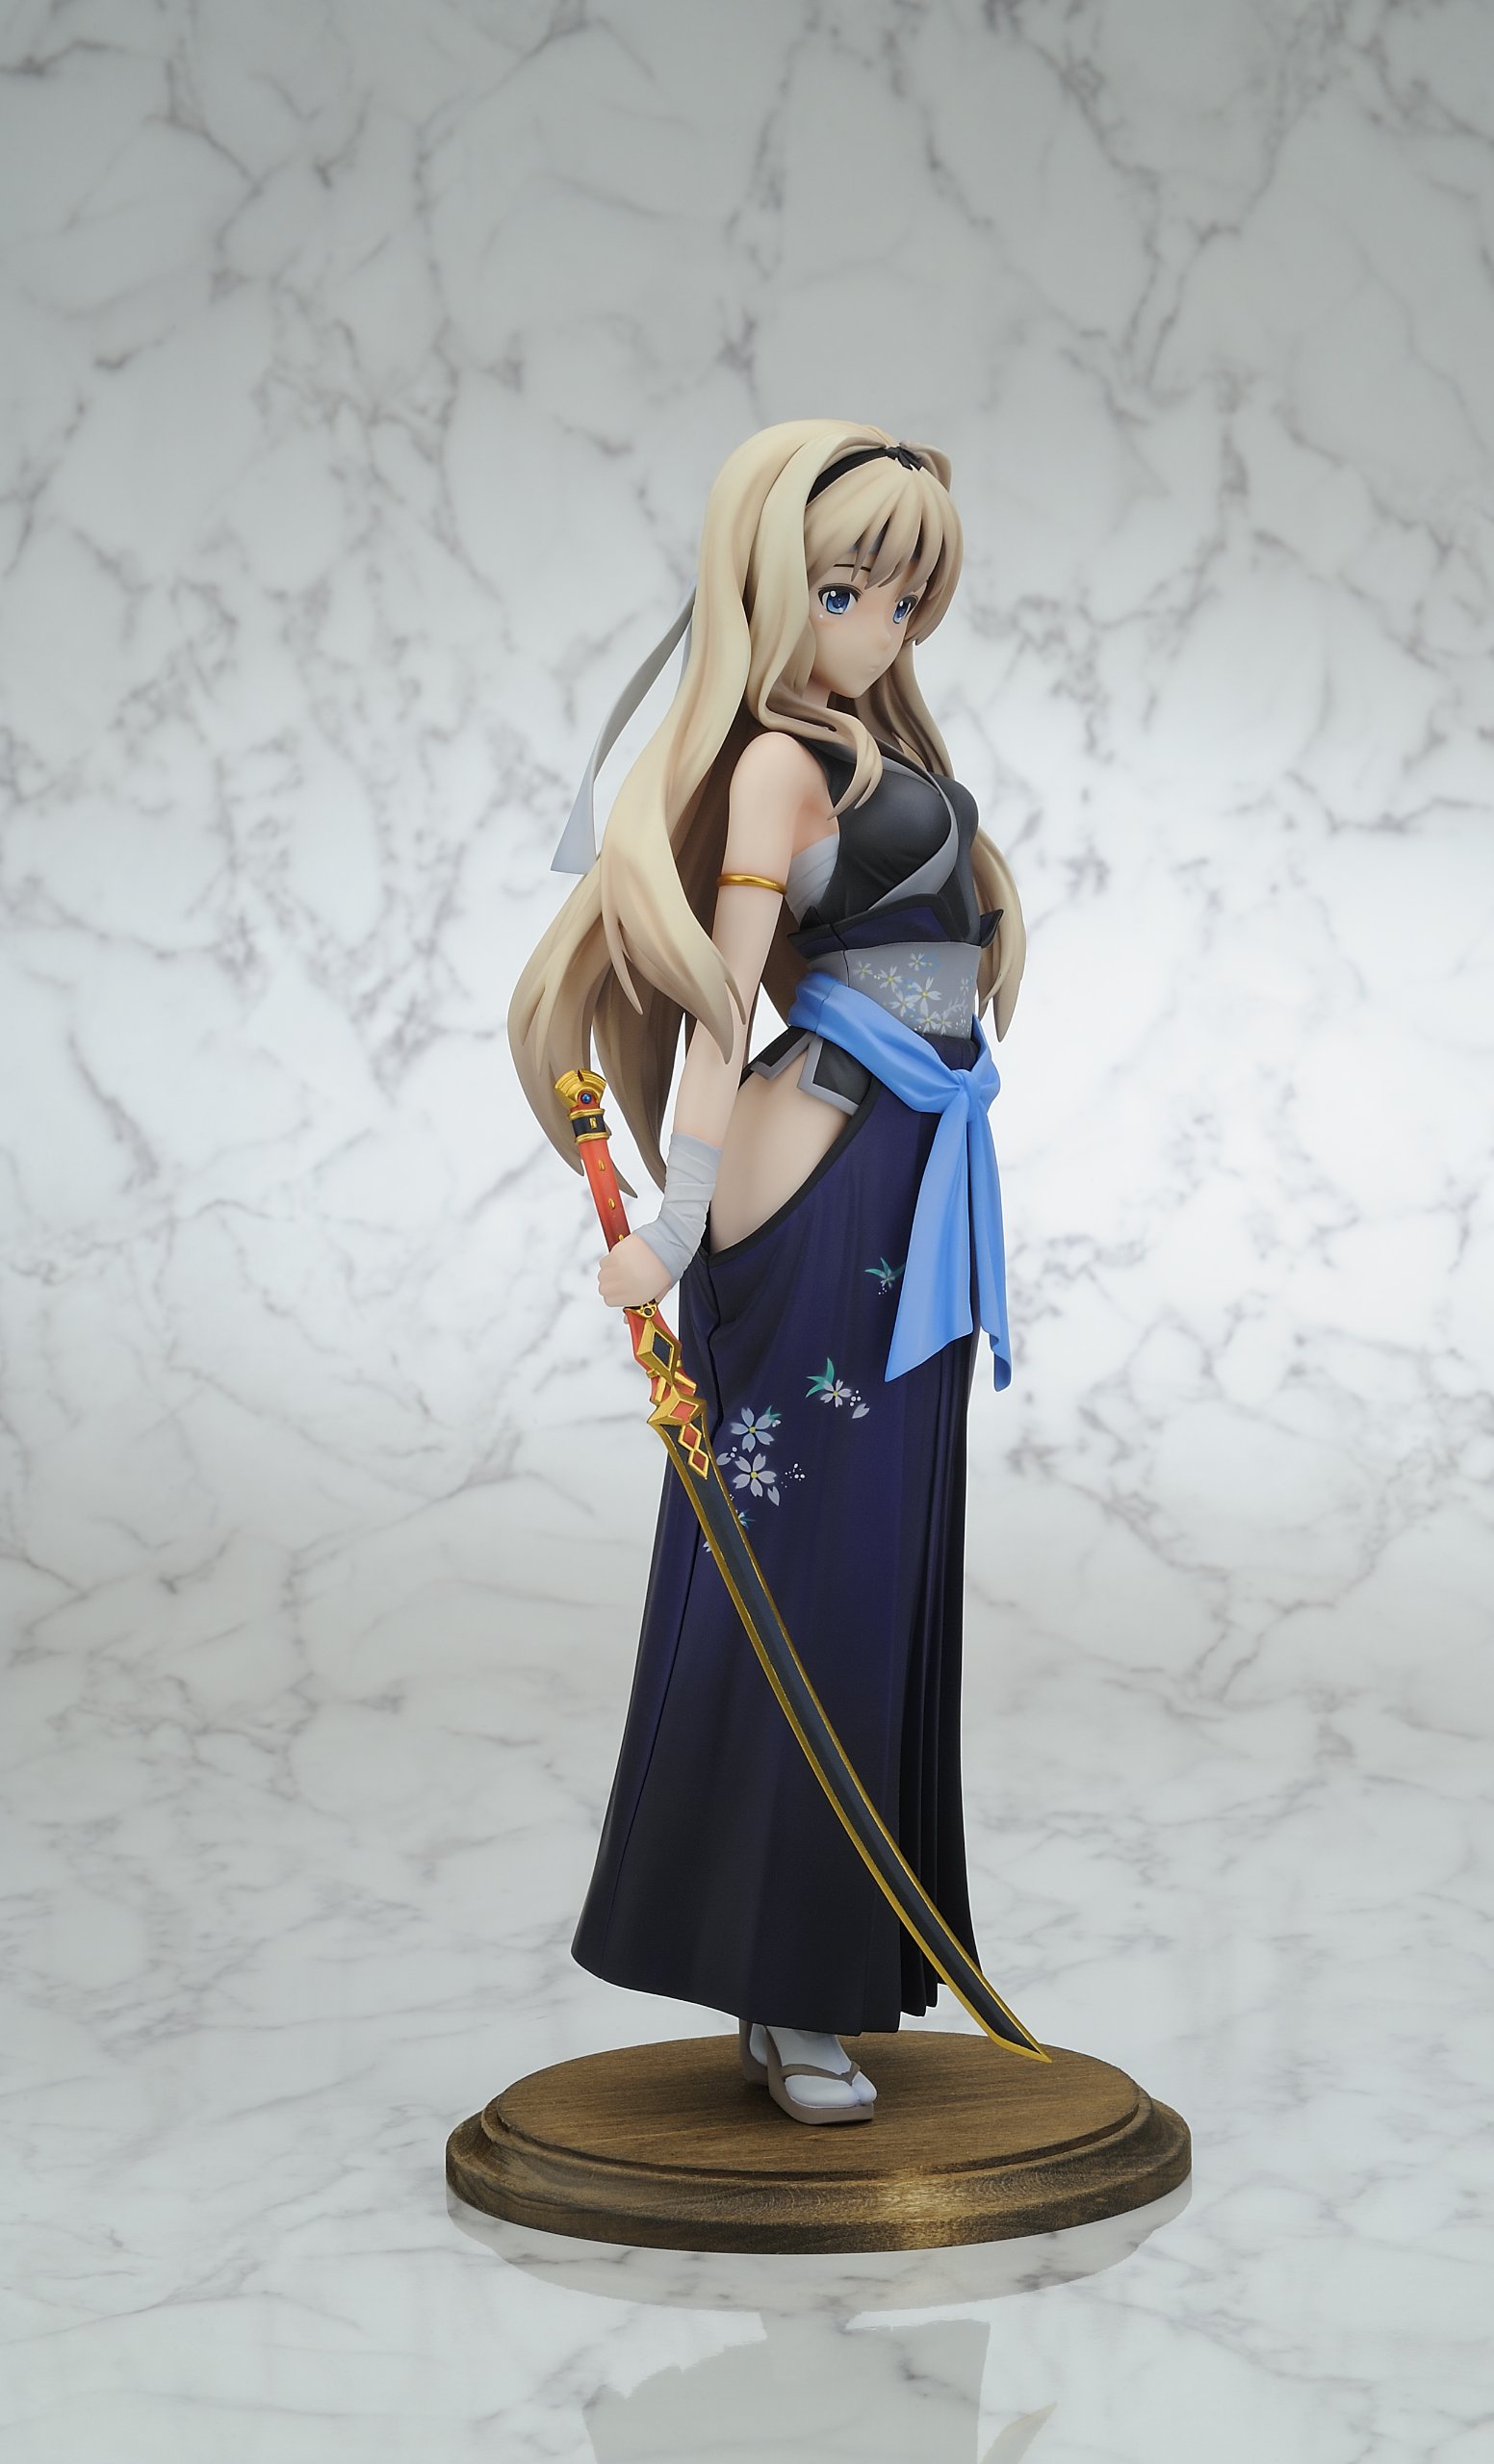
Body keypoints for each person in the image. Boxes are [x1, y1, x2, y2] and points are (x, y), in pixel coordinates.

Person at [508, 420, 1026, 2123]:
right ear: (775, 586)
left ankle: (825, 1966)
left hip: (918, 1175)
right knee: (805, 1570)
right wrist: (674, 1217)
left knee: (882, 1561)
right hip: (820, 1177)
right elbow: (725, 1007)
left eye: (906, 597)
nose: (880, 625)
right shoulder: (776, 773)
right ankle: (785, 1987)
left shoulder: (876, 751)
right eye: (848, 589)